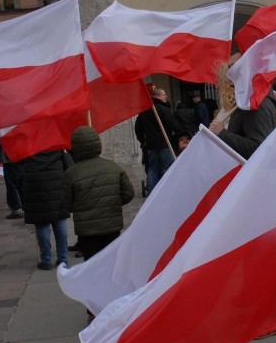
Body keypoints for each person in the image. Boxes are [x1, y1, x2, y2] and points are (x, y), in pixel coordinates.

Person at [62, 126, 134, 317]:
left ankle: (94, 310)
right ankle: (114, 305)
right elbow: (128, 194)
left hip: (87, 231)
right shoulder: (113, 167)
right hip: (112, 227)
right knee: (111, 268)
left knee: (92, 269)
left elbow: (67, 204)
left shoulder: (71, 173)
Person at [210, 60, 276, 159]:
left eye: (218, 81)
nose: (216, 86)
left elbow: (257, 148)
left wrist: (222, 133)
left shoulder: (255, 104)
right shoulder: (242, 103)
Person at [22, 150, 71, 270]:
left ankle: (46, 259)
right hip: (57, 183)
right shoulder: (55, 142)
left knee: (41, 222)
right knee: (60, 219)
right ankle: (63, 259)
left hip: (35, 185)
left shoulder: (28, 144)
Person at [135, 87, 182, 193]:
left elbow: (138, 128)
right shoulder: (164, 110)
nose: (165, 97)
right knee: (166, 168)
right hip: (164, 144)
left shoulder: (144, 111)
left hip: (151, 145)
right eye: (164, 95)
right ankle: (166, 191)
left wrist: (143, 141)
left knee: (152, 170)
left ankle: (152, 193)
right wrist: (179, 133)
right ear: (158, 96)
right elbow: (174, 125)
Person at [0, 134, 24, 219]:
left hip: (9, 158)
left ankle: (16, 209)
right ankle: (25, 207)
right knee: (21, 183)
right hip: (20, 155)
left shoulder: (4, 126)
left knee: (12, 185)